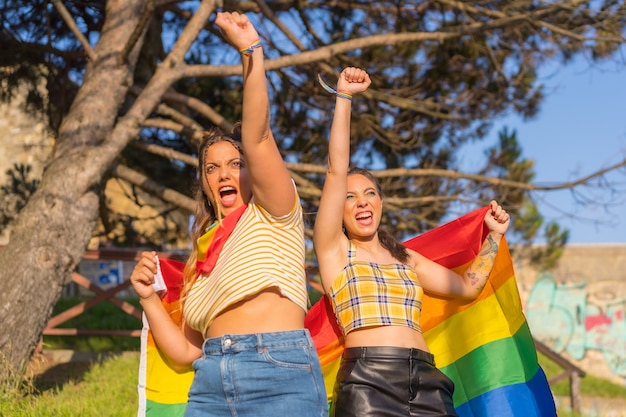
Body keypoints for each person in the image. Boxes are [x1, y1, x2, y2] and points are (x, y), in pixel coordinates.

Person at [130, 11, 327, 417]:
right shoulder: (199, 259)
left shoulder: (275, 211)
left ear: (251, 171)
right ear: (204, 182)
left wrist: (251, 53)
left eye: (235, 164)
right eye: (211, 167)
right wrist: (148, 298)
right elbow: (186, 350)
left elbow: (256, 137)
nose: (223, 173)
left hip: (278, 370)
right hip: (210, 382)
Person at [312, 67, 511, 417]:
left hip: (427, 380)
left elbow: (467, 287)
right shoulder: (335, 251)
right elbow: (335, 170)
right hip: (367, 382)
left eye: (370, 193)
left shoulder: (406, 258)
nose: (362, 202)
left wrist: (493, 236)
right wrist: (344, 98)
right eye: (350, 197)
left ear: (381, 202)